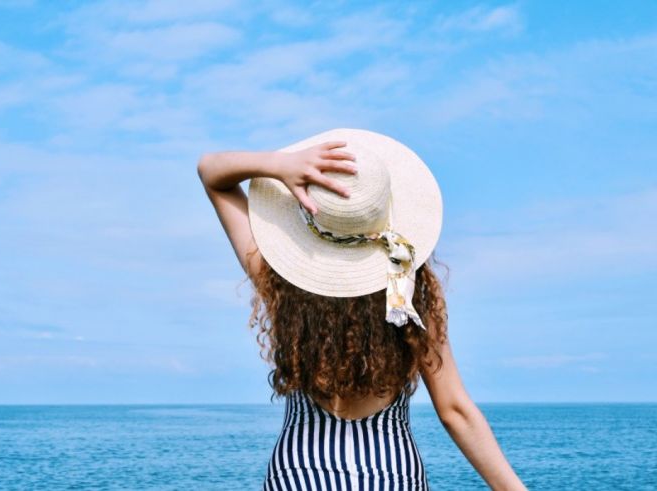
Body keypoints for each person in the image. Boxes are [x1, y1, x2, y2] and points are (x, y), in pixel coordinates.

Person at [197, 128, 526, 490]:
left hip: (299, 474)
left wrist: (278, 165)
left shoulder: (280, 287)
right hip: (394, 475)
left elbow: (212, 173)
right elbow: (455, 411)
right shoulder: (410, 295)